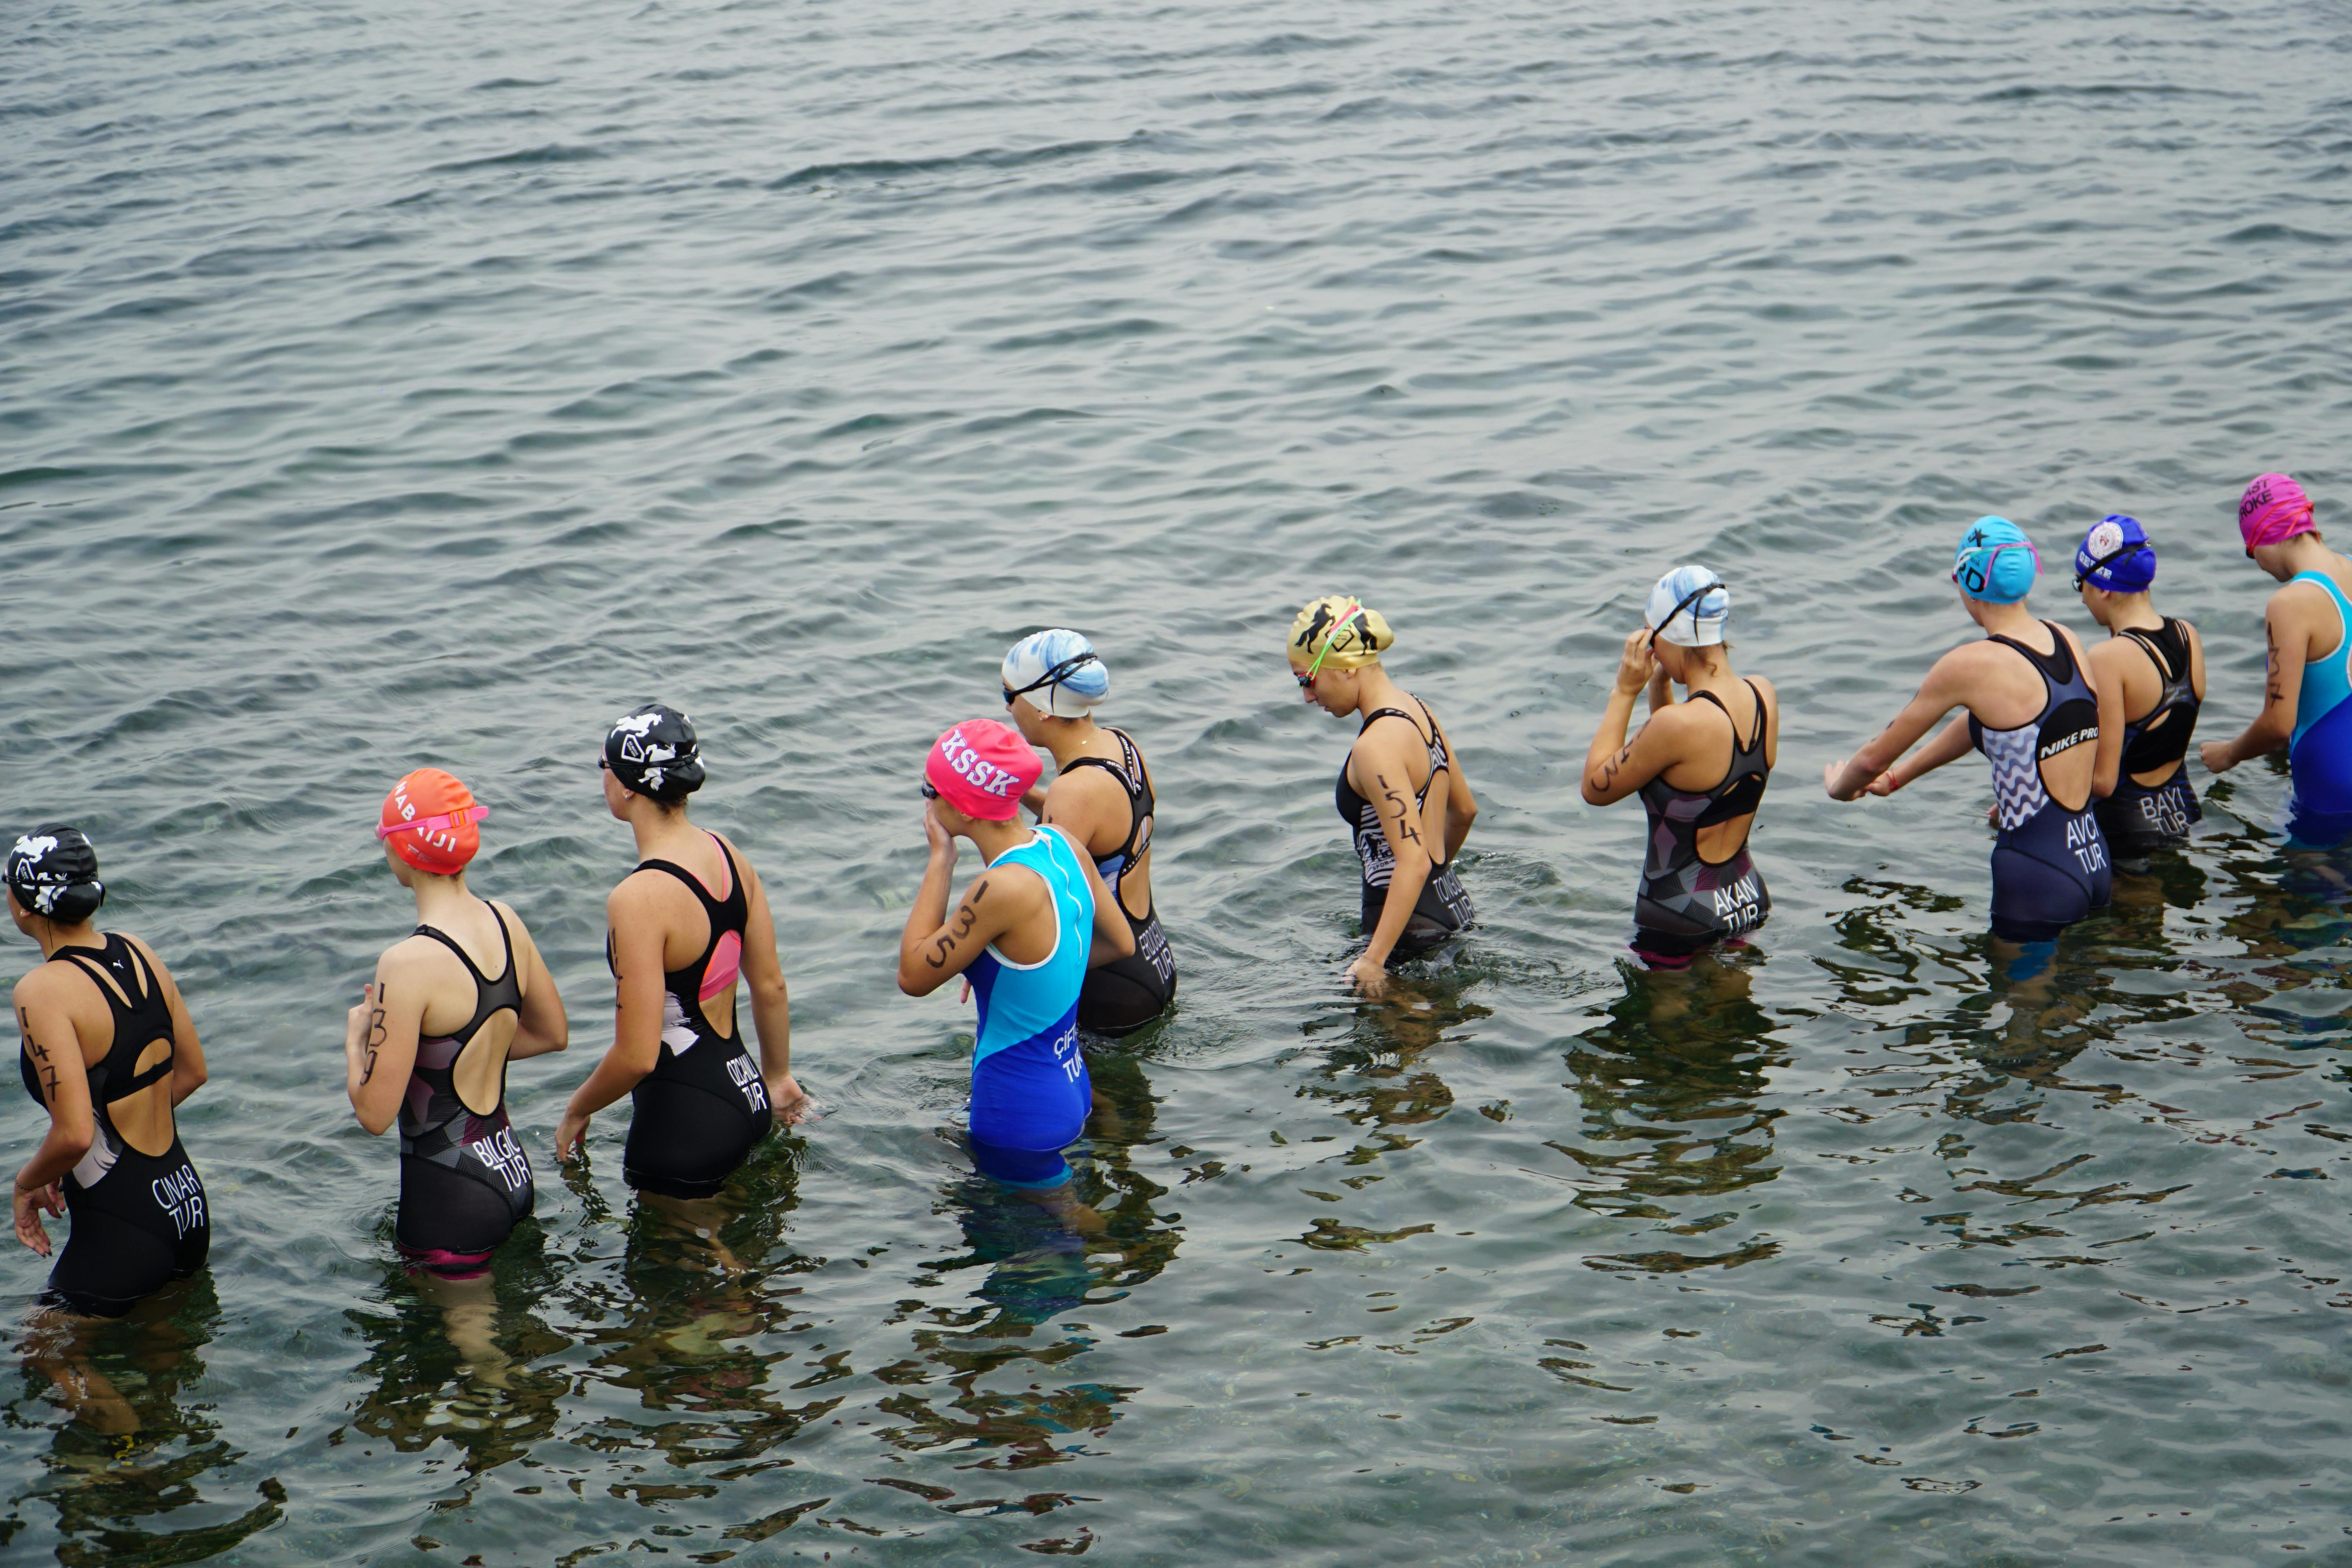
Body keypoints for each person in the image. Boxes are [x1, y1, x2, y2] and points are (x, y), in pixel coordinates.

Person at [1825, 517, 2121, 947]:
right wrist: (1899, 778)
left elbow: (1872, 758)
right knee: (2080, 1007)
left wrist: (1840, 787)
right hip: (2092, 858)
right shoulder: (2065, 638)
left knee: (2024, 1009)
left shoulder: (1970, 664)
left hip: (2034, 873)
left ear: (1968, 581)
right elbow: (1994, 723)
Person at [557, 704, 808, 1198]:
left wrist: (578, 1108)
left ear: (628, 784)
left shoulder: (638, 898)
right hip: (748, 1093)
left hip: (684, 1128)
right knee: (743, 1270)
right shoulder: (728, 854)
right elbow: (771, 985)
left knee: (671, 1271)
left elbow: (637, 1056)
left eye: (602, 766)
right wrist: (778, 1077)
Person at [343, 769, 569, 1279]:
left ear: (403, 851)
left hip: (451, 1199)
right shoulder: (506, 921)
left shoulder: (406, 963)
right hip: (510, 1168)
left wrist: (358, 1043)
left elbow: (374, 1115)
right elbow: (553, 1034)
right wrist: (471, 1051)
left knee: (480, 1360)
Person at [896, 719, 1134, 1200]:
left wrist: (941, 860)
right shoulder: (1063, 843)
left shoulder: (998, 888)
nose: (927, 804)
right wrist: (1015, 973)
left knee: (1044, 1254)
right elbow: (1119, 944)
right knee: (1071, 1234)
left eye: (930, 791)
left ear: (962, 805)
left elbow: (913, 975)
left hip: (1017, 1108)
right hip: (1069, 1080)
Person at [9, 827, 210, 1319]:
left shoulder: (41, 990)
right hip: (186, 1204)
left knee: (44, 1350)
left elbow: (76, 1134)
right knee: (161, 1373)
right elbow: (192, 1073)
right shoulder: (138, 950)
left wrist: (27, 1183)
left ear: (23, 905)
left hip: (124, 1223)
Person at [1581, 566, 1779, 966]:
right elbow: (1682, 764)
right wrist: (1660, 685)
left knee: (1666, 1029)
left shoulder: (1677, 726)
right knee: (1734, 1024)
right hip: (1744, 898)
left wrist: (1624, 691)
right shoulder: (1763, 695)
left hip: (1678, 913)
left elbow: (1595, 787)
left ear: (1670, 637)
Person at [1288, 596, 1478, 995]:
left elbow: (1411, 862)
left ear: (1345, 667)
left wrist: (1374, 960)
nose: (1307, 696)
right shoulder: (1419, 710)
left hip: (1407, 941)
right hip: (1451, 911)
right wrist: (1431, 884)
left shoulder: (1375, 746)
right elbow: (1464, 811)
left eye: (1307, 679)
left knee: (1393, 1058)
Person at [1001, 629, 1176, 1034]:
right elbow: (1097, 829)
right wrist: (1023, 793)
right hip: (1154, 959)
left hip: (1112, 986)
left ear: (1042, 707)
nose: (1008, 709)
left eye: (1009, 696)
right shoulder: (1120, 745)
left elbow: (1043, 912)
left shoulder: (1073, 790)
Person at [2199, 475, 2352, 829]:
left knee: (2305, 881)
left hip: (2331, 799)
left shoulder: (2291, 604)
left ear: (2266, 538)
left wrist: (2229, 754)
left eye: (2251, 550)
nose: (2256, 563)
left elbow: (2278, 726)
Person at [2071, 516, 2205, 861]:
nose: (2083, 599)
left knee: (2130, 914)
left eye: (2080, 584)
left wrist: (2032, 795)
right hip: (2184, 811)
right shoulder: (2188, 635)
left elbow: (2103, 781)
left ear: (2103, 587)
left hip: (2126, 829)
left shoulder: (2107, 658)